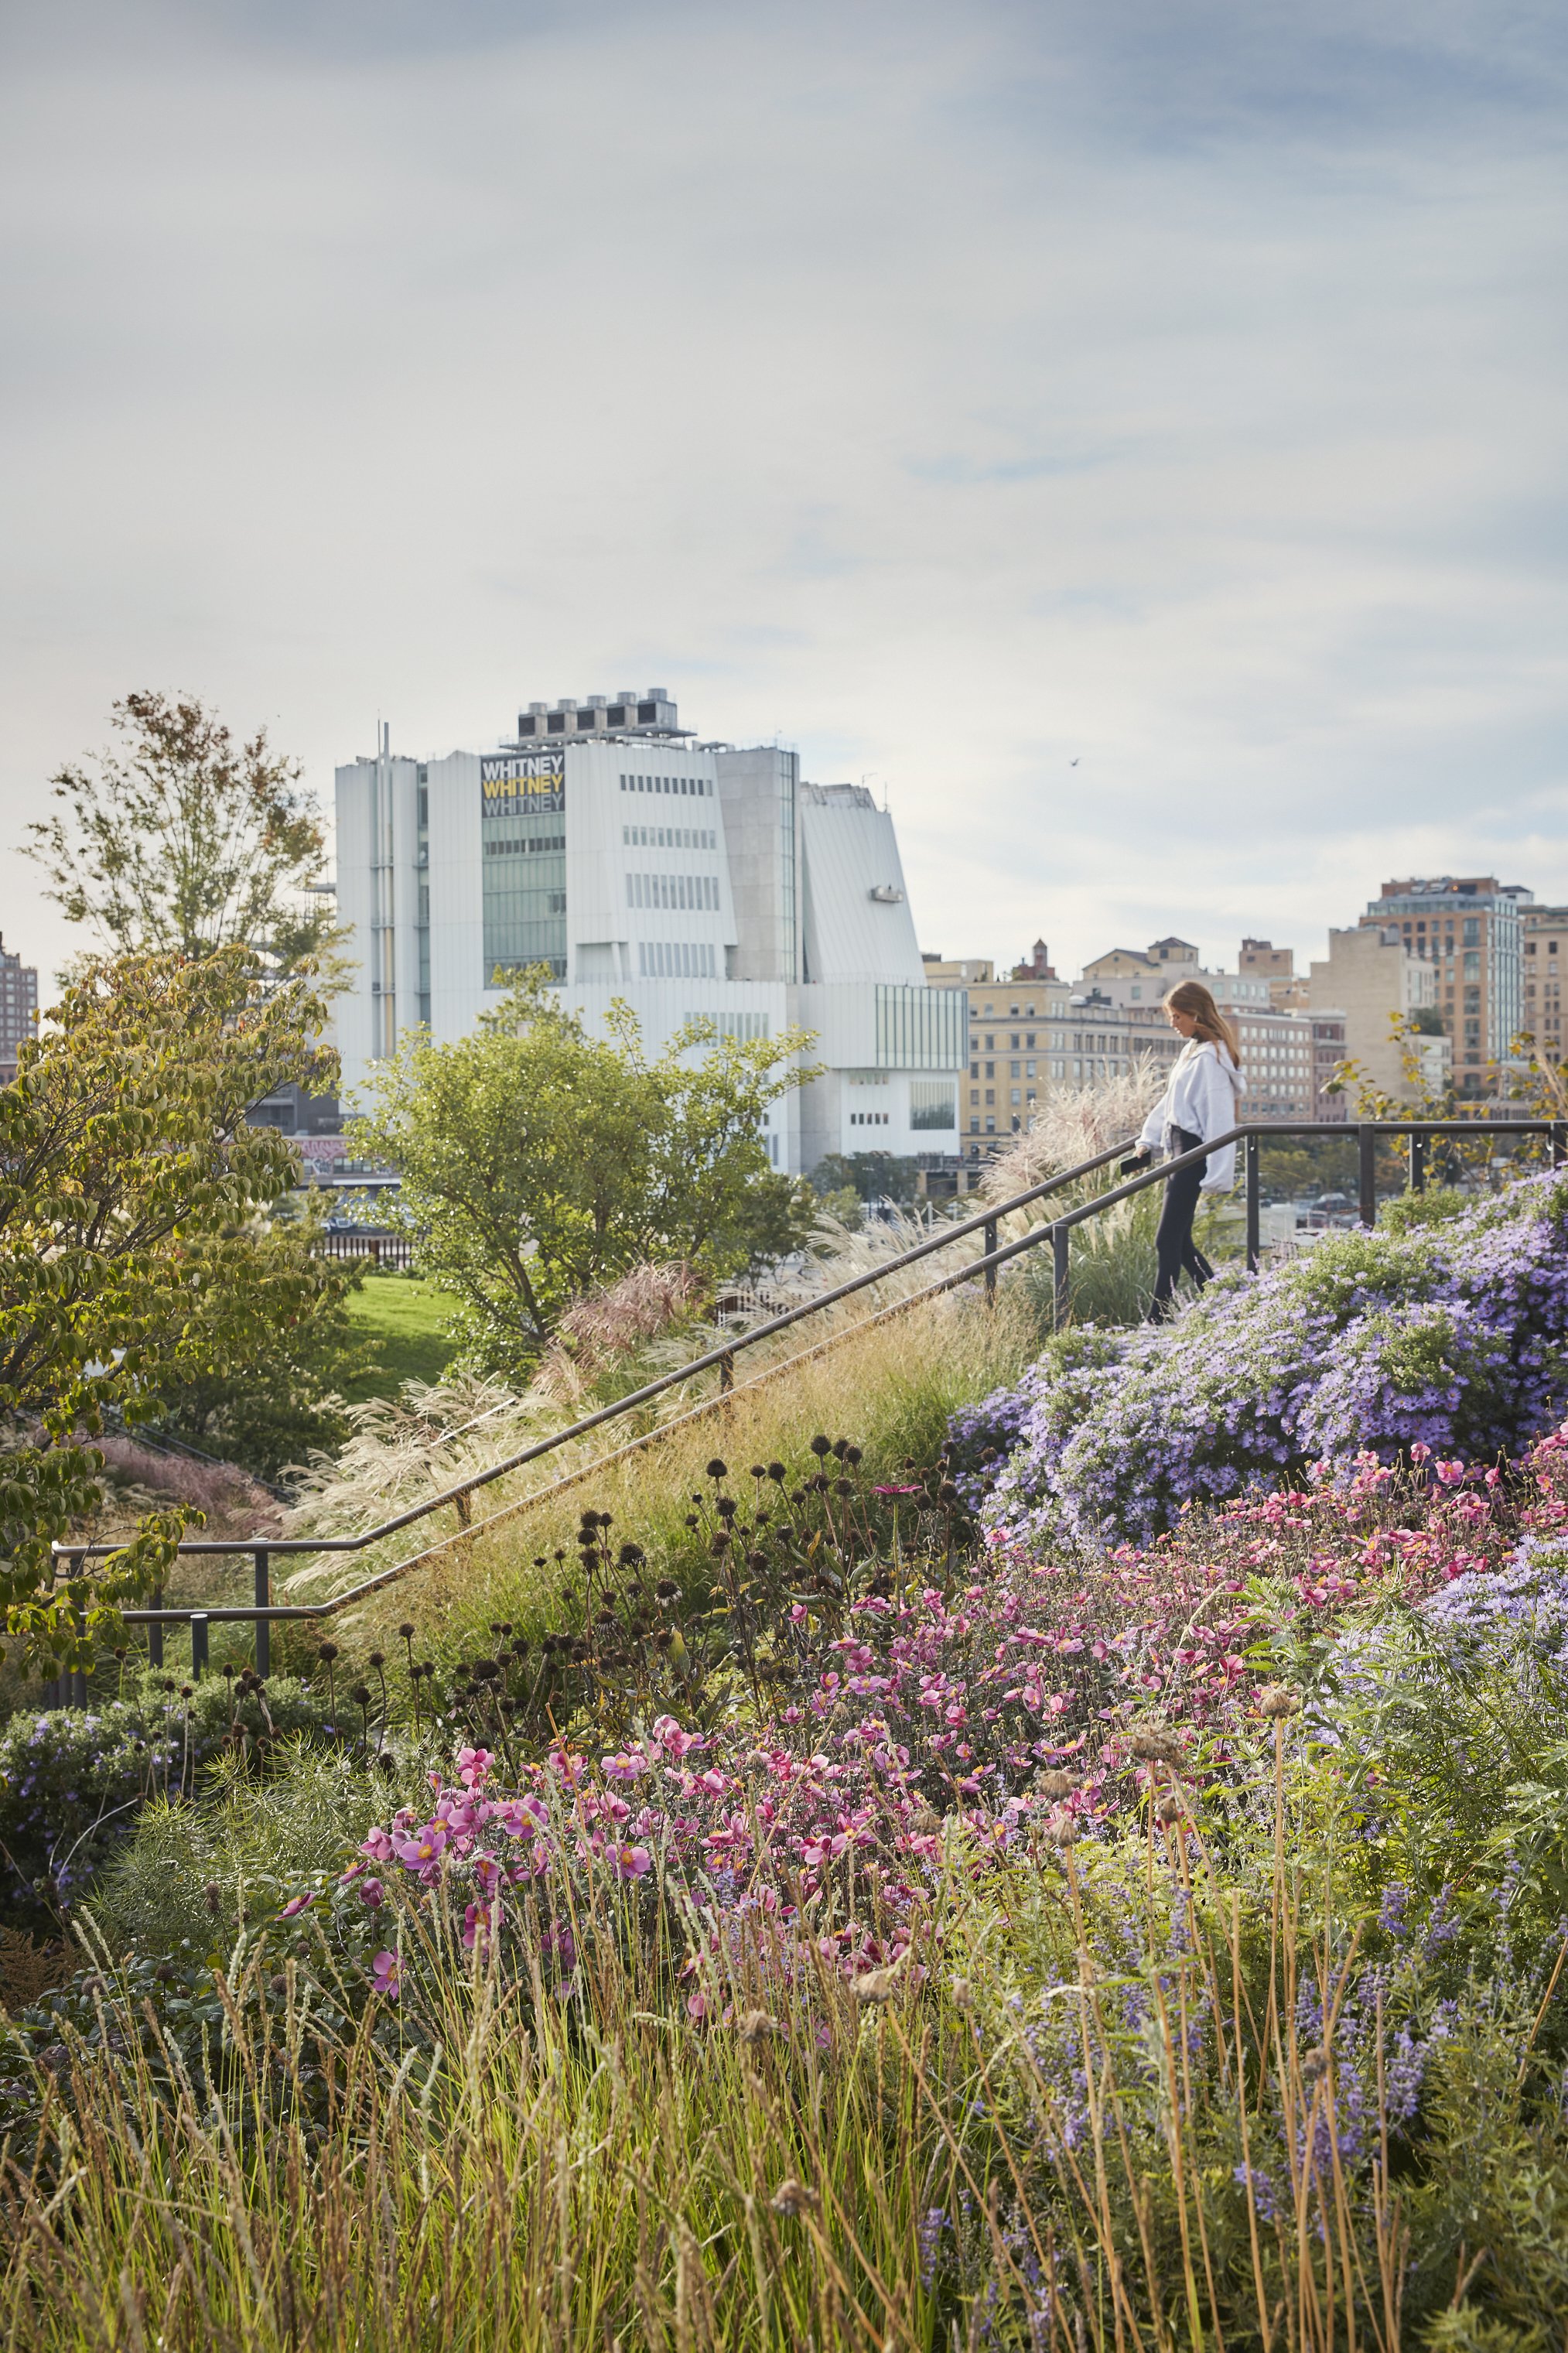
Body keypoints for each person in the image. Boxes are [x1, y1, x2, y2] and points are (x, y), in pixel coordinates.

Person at [1122, 980, 1244, 1322]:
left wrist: (1218, 1174)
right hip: (1178, 1151)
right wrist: (1148, 1139)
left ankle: (1156, 1322)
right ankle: (1229, 1310)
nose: (1173, 1023)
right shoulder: (1192, 1051)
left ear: (1196, 1014)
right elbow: (1170, 1102)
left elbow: (1220, 1120)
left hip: (1192, 1155)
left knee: (1166, 1241)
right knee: (1181, 1242)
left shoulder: (1211, 1058)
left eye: (1177, 1016)